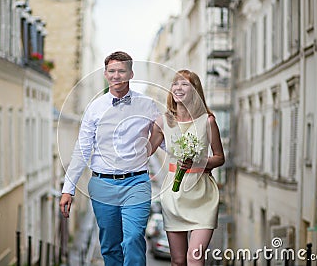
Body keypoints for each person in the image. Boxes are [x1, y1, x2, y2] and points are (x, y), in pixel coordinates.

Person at [59, 51, 160, 266]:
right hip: (103, 183)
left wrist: (190, 157)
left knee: (133, 238)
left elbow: (164, 139)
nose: (116, 75)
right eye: (112, 71)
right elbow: (82, 149)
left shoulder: (148, 105)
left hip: (137, 182)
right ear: (105, 74)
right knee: (110, 245)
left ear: (131, 73)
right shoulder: (95, 108)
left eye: (121, 70)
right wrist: (69, 188)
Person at [149, 69, 225, 265]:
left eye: (185, 84)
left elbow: (219, 158)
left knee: (195, 257)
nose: (179, 87)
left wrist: (200, 162)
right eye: (176, 83)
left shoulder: (208, 121)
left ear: (195, 90)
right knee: (178, 260)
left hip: (203, 196)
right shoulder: (163, 121)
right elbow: (145, 151)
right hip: (174, 196)